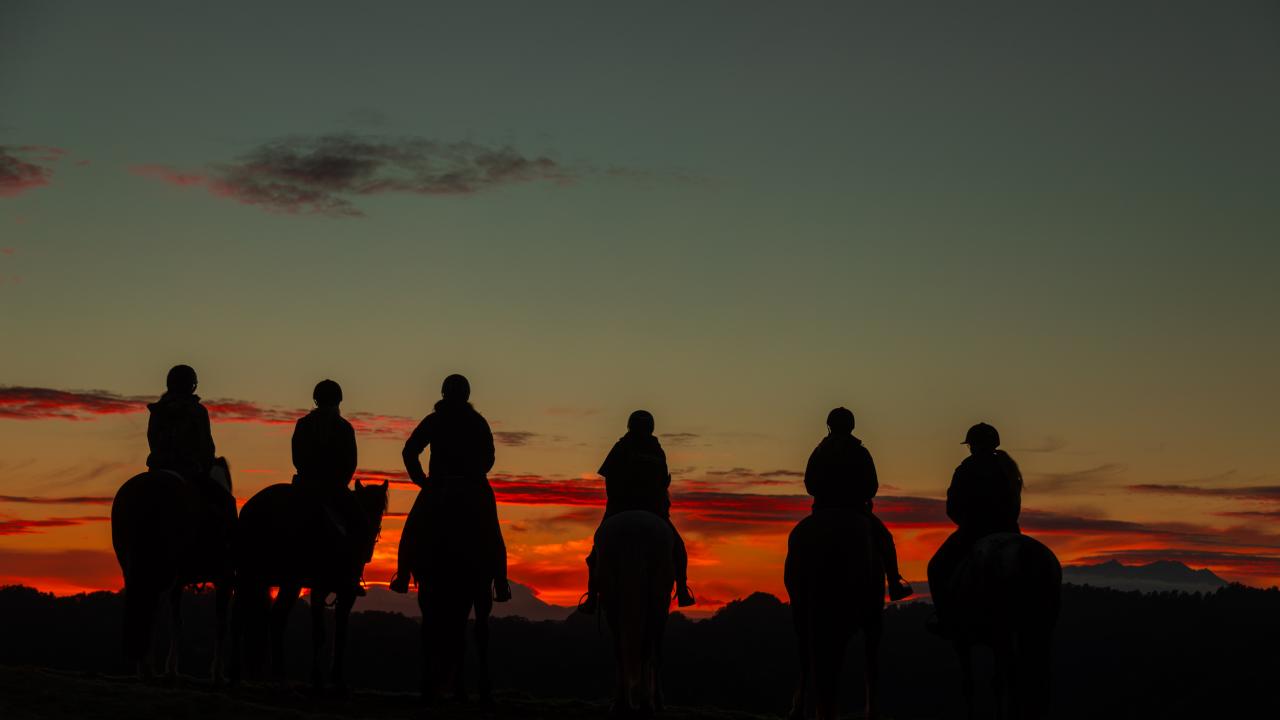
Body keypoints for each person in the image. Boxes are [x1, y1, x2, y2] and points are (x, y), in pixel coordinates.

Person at [389, 374, 511, 600]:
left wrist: (421, 481)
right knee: (492, 532)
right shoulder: (477, 421)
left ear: (444, 394)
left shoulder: (435, 420)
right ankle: (501, 583)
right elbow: (489, 457)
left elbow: (410, 451)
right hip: (473, 486)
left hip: (438, 486)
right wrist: (475, 473)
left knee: (412, 528)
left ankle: (403, 576)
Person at [578, 410, 695, 615]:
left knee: (595, 555)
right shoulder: (657, 451)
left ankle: (592, 597)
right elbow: (662, 484)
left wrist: (617, 502)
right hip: (653, 510)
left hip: (619, 508)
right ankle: (683, 591)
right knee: (678, 548)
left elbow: (609, 480)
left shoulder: (621, 447)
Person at [804, 407, 913, 601]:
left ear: (829, 426)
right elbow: (872, 486)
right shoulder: (860, 452)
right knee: (885, 539)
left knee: (800, 540)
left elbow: (809, 485)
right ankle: (895, 584)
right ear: (851, 426)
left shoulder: (819, 452)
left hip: (822, 511)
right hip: (855, 510)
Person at [926, 422, 1024, 635]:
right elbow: (1015, 504)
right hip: (1010, 530)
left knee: (936, 567)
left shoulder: (966, 468)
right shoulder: (1008, 467)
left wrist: (966, 523)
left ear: (972, 445)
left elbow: (952, 507)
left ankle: (944, 618)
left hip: (975, 530)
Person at [291, 379, 368, 596]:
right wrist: (336, 482)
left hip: (304, 486)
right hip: (333, 488)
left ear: (316, 399)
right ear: (338, 400)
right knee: (362, 526)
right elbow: (350, 463)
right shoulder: (343, 427)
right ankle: (351, 577)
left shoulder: (303, 424)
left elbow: (297, 458)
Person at [146, 364, 235, 539]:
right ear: (191, 385)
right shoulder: (197, 411)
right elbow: (206, 447)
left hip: (157, 469)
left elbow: (152, 439)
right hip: (189, 471)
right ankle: (232, 550)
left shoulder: (157, 410)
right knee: (227, 502)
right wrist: (204, 463)